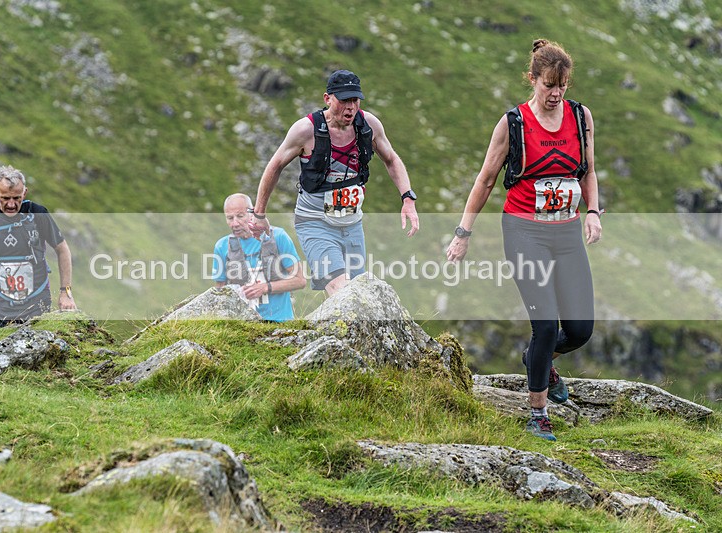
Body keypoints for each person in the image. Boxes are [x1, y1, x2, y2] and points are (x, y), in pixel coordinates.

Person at [446, 39, 602, 441]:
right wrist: (463, 234)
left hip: (566, 231)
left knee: (581, 329)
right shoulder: (512, 124)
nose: (555, 94)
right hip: (524, 231)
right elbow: (485, 181)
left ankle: (538, 360)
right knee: (545, 324)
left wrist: (593, 213)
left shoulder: (581, 116)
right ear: (532, 79)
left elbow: (588, 171)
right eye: (548, 85)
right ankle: (538, 412)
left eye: (561, 86)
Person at [250, 69, 420, 296]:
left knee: (359, 291)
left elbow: (391, 159)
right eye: (344, 100)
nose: (350, 107)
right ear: (328, 99)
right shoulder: (306, 130)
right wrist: (259, 215)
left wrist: (407, 197)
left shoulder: (368, 125)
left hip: (352, 223)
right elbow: (275, 166)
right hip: (314, 221)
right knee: (341, 289)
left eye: (355, 100)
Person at [0, 165, 77, 327]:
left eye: (17, 198)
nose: (11, 204)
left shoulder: (37, 213)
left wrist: (65, 292)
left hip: (37, 302)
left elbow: (62, 249)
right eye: (5, 198)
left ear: (24, 192)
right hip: (0, 305)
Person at [211, 193, 305, 322]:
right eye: (230, 218)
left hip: (281, 323)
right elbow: (220, 292)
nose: (235, 223)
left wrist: (265, 287)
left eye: (240, 216)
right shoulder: (222, 246)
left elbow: (300, 281)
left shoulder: (278, 236)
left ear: (252, 212)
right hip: (241, 327)